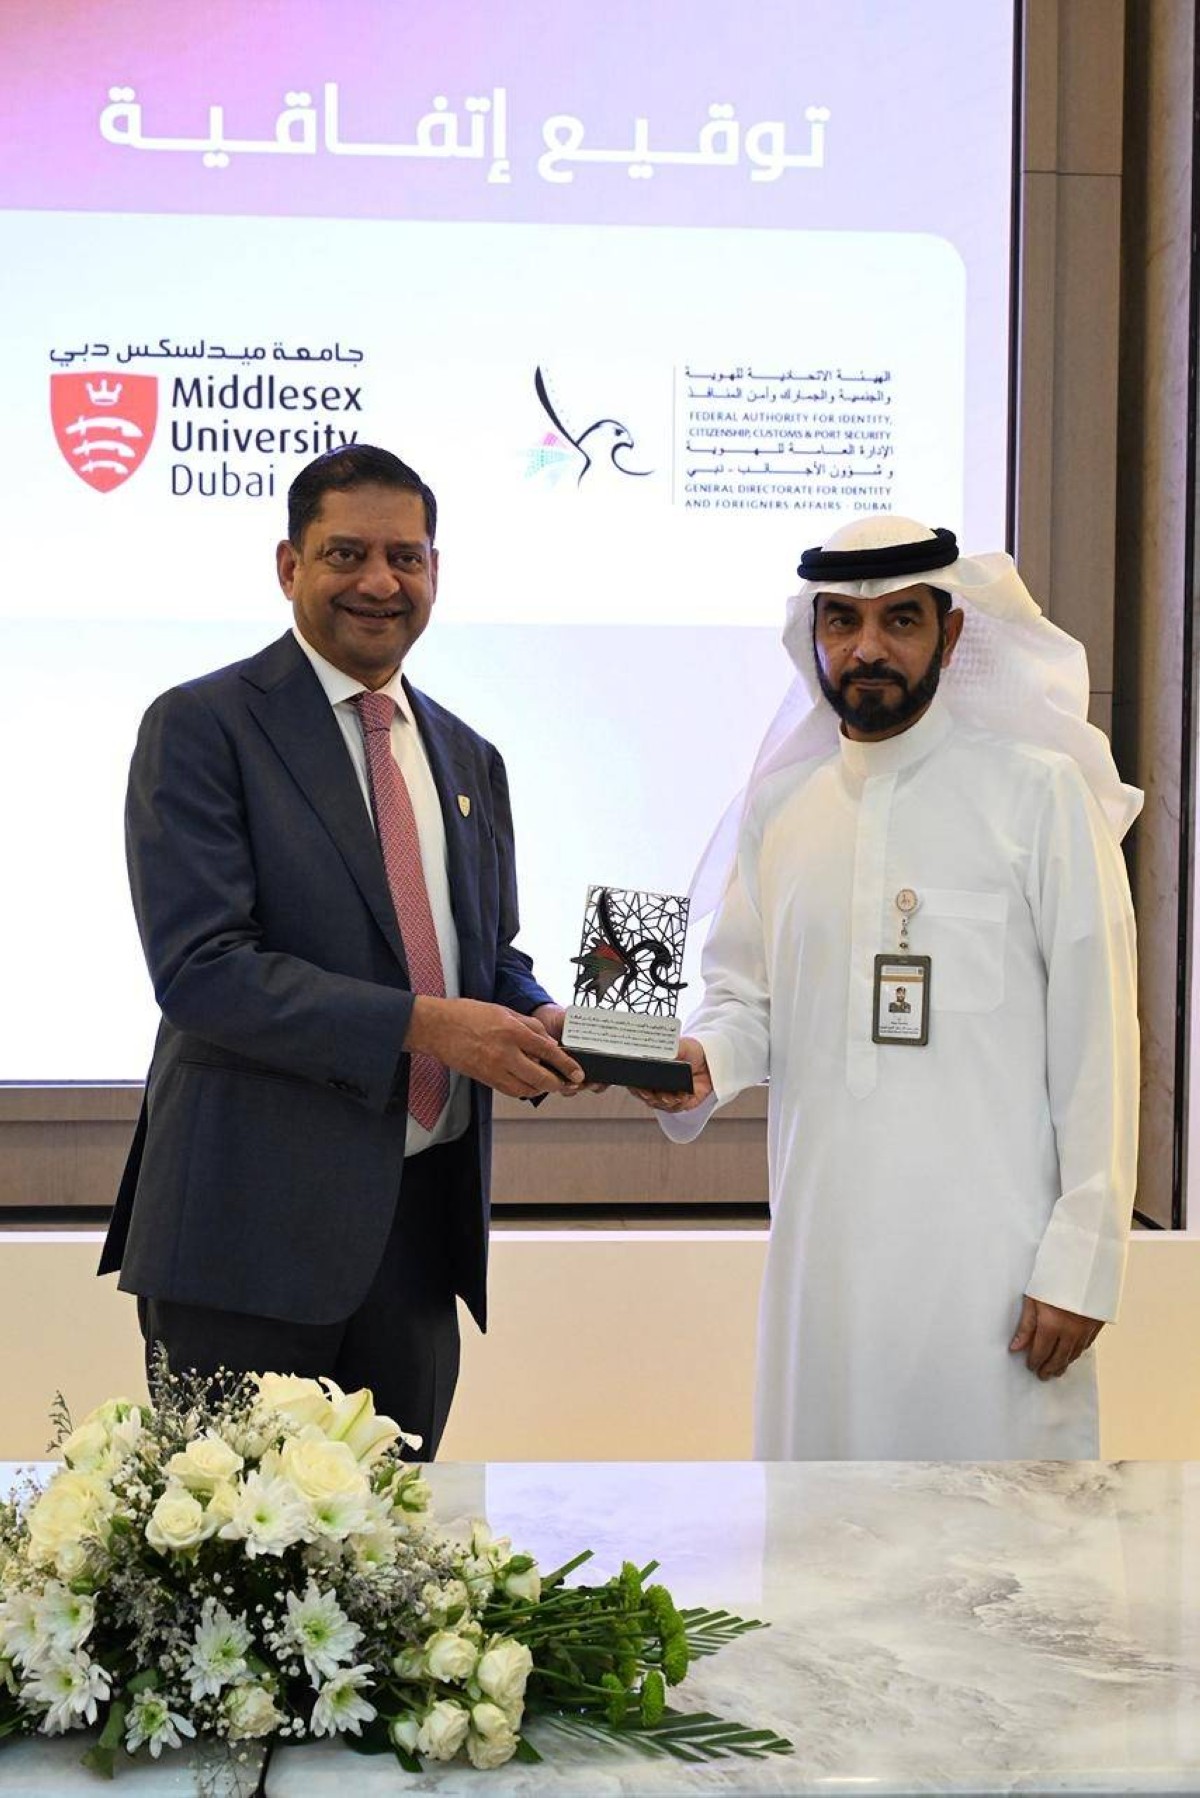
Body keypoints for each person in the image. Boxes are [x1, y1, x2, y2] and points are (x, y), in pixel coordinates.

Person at [100, 445, 584, 1456]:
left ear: (435, 571)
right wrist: (430, 1026)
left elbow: (484, 954)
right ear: (290, 566)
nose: (379, 582)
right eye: (346, 554)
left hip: (418, 1245)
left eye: (405, 557)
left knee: (404, 1543)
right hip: (244, 1244)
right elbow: (203, 971)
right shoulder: (202, 727)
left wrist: (538, 1015)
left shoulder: (469, 756)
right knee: (234, 1549)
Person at [640, 514, 1140, 1459]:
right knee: (822, 1527)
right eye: (842, 621)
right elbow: (744, 999)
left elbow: (1100, 1044)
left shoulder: (1039, 795)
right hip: (825, 1269)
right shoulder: (782, 808)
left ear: (950, 634)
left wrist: (1082, 1262)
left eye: (900, 619)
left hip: (996, 1277)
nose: (867, 648)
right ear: (815, 635)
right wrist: (701, 1062)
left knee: (1001, 1537)